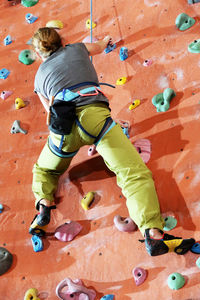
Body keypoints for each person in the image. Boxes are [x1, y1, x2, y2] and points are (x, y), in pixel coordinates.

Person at [30, 27, 195, 256]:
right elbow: (99, 45)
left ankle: (44, 205)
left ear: (39, 54)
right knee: (133, 173)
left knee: (44, 170)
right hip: (94, 119)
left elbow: (50, 113)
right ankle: (153, 233)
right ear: (62, 40)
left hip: (63, 130)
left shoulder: (39, 77)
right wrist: (106, 40)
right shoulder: (76, 48)